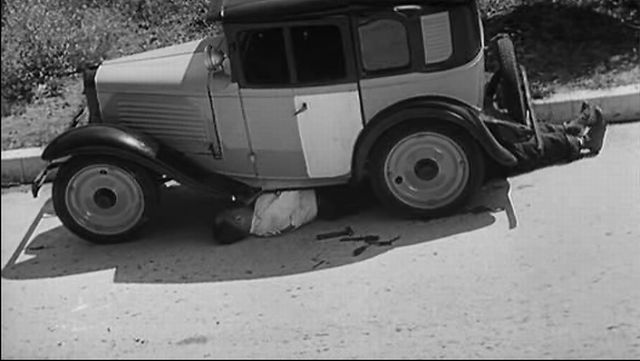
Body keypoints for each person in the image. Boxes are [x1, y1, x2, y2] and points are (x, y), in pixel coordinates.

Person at [212, 102, 607, 244]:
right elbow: (293, 189)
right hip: (343, 197)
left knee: (492, 147)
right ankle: (576, 141)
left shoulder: (257, 213)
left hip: (340, 193)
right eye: (232, 215)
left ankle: (572, 132)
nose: (235, 210)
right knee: (490, 159)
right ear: (236, 223)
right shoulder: (268, 222)